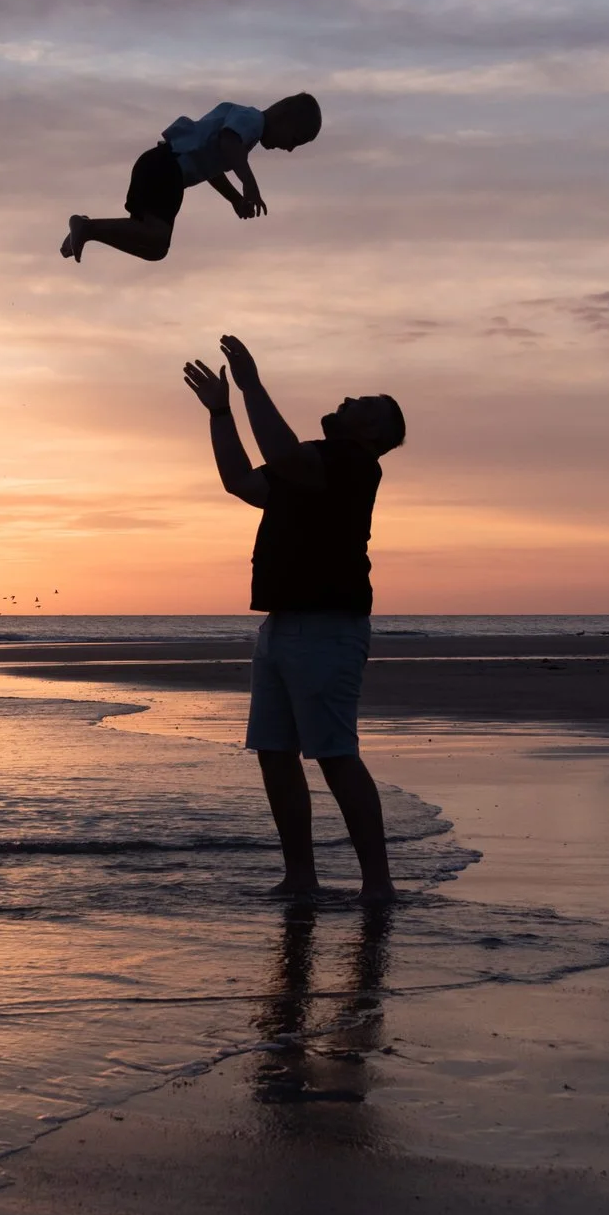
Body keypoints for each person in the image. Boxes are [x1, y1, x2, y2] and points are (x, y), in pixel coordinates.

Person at [180, 334, 403, 903]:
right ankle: (301, 876)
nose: (350, 400)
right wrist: (222, 413)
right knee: (276, 753)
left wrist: (252, 384)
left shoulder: (353, 463)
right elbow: (241, 480)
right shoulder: (313, 461)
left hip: (329, 626)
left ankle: (377, 884)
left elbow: (278, 457)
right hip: (281, 626)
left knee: (333, 753)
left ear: (372, 433)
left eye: (364, 405)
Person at [63, 93, 321, 263]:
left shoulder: (244, 133)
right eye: (295, 140)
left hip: (159, 167)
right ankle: (88, 227)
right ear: (286, 117)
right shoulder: (251, 119)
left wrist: (234, 198)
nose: (290, 149)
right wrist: (249, 185)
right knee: (156, 238)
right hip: (166, 168)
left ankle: (88, 230)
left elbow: (211, 166)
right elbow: (229, 143)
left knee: (155, 248)